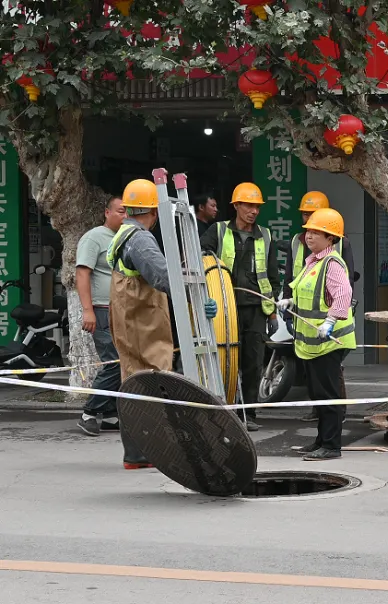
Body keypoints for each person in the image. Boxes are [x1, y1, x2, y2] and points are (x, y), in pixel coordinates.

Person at [107, 179, 217, 469]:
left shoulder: (124, 233)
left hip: (132, 320)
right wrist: (196, 296)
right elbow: (162, 277)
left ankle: (137, 453)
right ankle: (149, 450)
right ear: (154, 213)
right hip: (142, 323)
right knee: (153, 382)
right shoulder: (141, 238)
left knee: (134, 380)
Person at [277, 208, 356, 461]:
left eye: (316, 232)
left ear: (330, 238)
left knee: (329, 394)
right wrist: (290, 302)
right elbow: (307, 293)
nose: (309, 236)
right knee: (319, 393)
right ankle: (322, 440)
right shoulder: (313, 261)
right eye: (308, 231)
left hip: (329, 343)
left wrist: (330, 321)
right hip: (312, 344)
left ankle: (332, 446)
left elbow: (343, 295)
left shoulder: (332, 263)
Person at [201, 182, 280, 432]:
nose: (253, 211)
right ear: (236, 205)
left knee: (252, 363)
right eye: (248, 205)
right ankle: (226, 409)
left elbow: (273, 276)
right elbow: (199, 258)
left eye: (256, 206)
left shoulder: (265, 235)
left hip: (256, 309)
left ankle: (249, 414)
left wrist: (273, 309)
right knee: (226, 359)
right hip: (226, 308)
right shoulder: (218, 230)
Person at [75, 196, 127, 436]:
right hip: (101, 310)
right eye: (120, 211)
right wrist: (88, 310)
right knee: (114, 361)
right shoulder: (94, 238)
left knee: (122, 362)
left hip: (121, 310)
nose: (125, 216)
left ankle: (108, 414)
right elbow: (82, 274)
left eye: (128, 212)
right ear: (107, 212)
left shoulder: (125, 238)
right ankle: (89, 412)